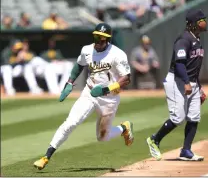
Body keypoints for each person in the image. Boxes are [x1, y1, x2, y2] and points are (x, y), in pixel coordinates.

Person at [33, 23, 134, 170]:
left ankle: (124, 128)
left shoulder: (117, 54)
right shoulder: (87, 50)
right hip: (89, 92)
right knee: (71, 122)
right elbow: (79, 65)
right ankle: (46, 157)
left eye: (102, 38)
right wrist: (69, 82)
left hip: (109, 98)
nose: (99, 41)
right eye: (97, 37)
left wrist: (107, 88)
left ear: (108, 39)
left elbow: (126, 78)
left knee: (102, 137)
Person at [146, 9, 207, 161]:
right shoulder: (184, 39)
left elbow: (195, 68)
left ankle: (186, 150)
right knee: (178, 118)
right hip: (177, 80)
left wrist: (199, 87)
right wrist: (187, 82)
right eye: (201, 21)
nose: (204, 23)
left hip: (191, 82)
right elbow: (180, 64)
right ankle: (155, 139)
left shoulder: (197, 40)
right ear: (192, 24)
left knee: (194, 117)